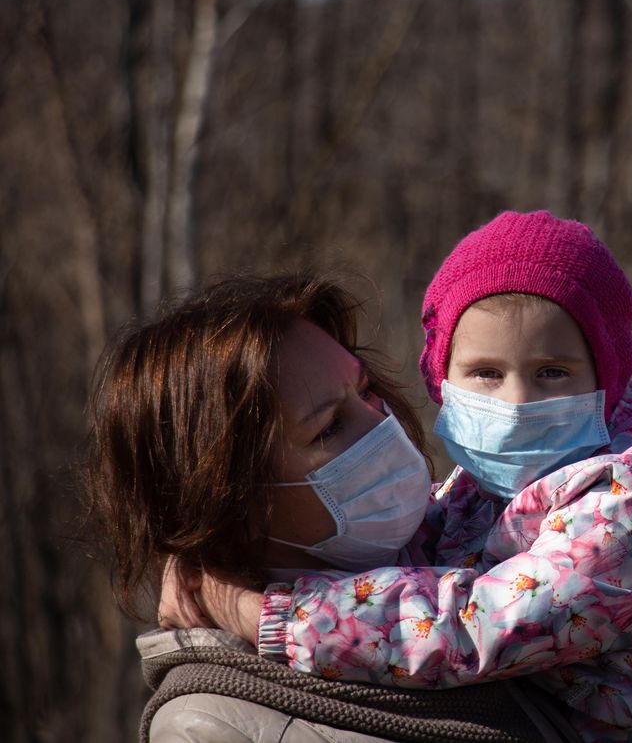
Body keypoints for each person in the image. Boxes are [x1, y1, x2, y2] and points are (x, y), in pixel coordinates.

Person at [170, 213, 632, 742]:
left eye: (551, 374)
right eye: (484, 373)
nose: (515, 402)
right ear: (439, 377)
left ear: (606, 380)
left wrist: (272, 614)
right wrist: (218, 554)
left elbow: (478, 623)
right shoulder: (479, 492)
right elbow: (418, 571)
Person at [85, 273, 573, 743]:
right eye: (328, 427)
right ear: (230, 503)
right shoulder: (210, 725)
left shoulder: (467, 536)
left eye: (365, 392)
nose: (382, 426)